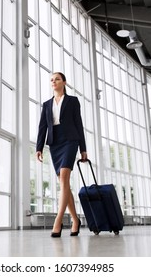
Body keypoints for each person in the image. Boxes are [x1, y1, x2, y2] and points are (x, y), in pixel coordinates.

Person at [36, 72, 87, 237]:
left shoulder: (72, 101)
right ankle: (75, 219)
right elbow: (42, 127)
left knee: (64, 179)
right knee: (64, 183)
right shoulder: (46, 104)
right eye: (51, 80)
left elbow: (78, 124)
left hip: (70, 140)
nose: (54, 82)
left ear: (64, 82)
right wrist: (39, 147)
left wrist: (83, 148)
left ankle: (58, 221)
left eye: (57, 79)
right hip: (55, 144)